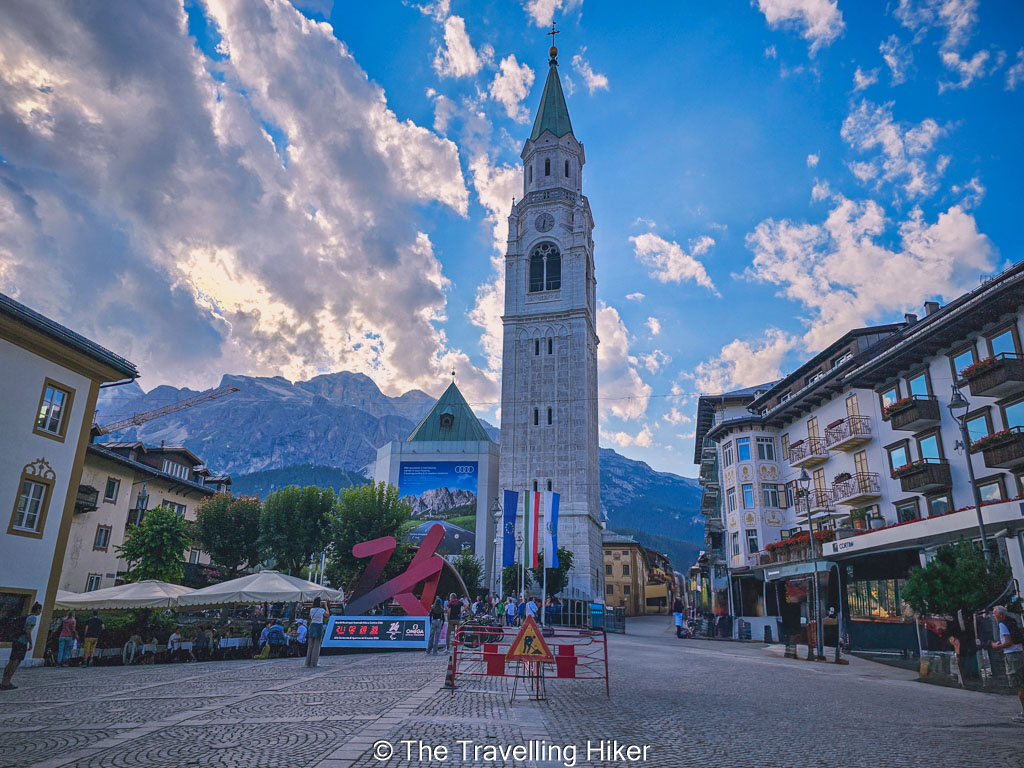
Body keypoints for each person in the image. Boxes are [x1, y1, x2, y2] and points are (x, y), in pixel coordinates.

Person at [991, 605, 1024, 722]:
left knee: (1018, 685)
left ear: (1000, 614)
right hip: (1020, 653)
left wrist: (997, 646)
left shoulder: (1002, 624)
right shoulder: (1012, 621)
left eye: (995, 613)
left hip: (1012, 655)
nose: (993, 615)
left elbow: (1009, 642)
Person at [1, 602, 41, 690]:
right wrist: (30, 642)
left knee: (11, 661)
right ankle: (6, 682)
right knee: (16, 661)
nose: (40, 612)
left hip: (16, 640)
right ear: (37, 610)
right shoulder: (33, 618)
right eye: (40, 610)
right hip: (22, 642)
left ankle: (4, 681)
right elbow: (27, 630)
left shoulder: (27, 616)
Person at [306, 596, 328, 668]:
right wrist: (325, 605)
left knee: (310, 645)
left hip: (312, 626)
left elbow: (311, 617)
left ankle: (308, 662)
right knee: (317, 645)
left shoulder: (311, 610)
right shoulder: (321, 610)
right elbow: (327, 614)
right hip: (318, 626)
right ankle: (314, 663)